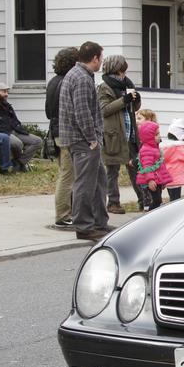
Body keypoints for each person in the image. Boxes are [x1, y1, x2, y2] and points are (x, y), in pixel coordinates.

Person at [59, 41, 110, 241]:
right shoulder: (80, 78)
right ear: (95, 58)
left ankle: (99, 222)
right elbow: (82, 112)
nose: (101, 62)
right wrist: (92, 139)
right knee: (85, 183)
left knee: (98, 181)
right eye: (101, 58)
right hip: (83, 140)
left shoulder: (80, 75)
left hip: (83, 139)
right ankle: (84, 226)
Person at [97, 55, 143, 215]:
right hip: (113, 135)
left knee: (136, 167)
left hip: (130, 133)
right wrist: (124, 100)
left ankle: (144, 199)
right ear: (114, 71)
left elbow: (133, 108)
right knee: (112, 170)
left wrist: (136, 100)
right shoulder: (104, 87)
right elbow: (104, 110)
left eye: (124, 71)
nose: (123, 75)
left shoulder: (127, 85)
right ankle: (113, 203)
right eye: (121, 71)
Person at [45, 47, 79, 227]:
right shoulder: (67, 82)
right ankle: (63, 215)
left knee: (66, 172)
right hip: (65, 131)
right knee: (67, 174)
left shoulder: (52, 82)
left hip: (55, 130)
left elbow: (47, 111)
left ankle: (68, 211)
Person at [0, 82, 43, 171]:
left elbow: (16, 120)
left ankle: (18, 162)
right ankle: (18, 165)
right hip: (3, 133)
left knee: (38, 141)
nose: (7, 94)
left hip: (16, 131)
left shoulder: (7, 106)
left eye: (7, 92)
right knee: (17, 143)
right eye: (4, 92)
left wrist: (19, 127)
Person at [135, 120, 173, 210]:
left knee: (158, 200)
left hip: (157, 180)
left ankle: (153, 214)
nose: (159, 136)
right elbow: (147, 167)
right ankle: (149, 216)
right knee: (157, 201)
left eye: (159, 133)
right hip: (151, 180)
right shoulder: (146, 150)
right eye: (156, 134)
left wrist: (162, 181)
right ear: (148, 137)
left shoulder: (155, 148)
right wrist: (150, 180)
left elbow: (160, 165)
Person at [161, 118, 184, 201]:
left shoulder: (164, 147)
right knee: (176, 198)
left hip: (167, 177)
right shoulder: (180, 147)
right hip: (177, 177)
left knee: (172, 196)